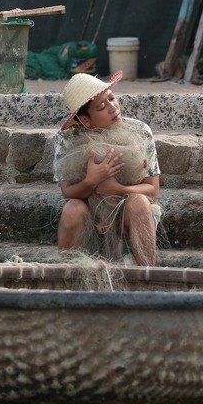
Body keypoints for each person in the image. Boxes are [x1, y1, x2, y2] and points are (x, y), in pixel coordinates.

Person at [53, 71, 161, 267]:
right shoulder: (66, 139)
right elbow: (68, 192)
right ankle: (69, 276)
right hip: (91, 216)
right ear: (86, 120)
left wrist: (120, 190)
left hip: (129, 217)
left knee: (139, 203)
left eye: (112, 98)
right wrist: (91, 181)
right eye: (102, 107)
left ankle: (146, 278)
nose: (113, 108)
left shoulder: (140, 131)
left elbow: (153, 189)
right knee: (72, 209)